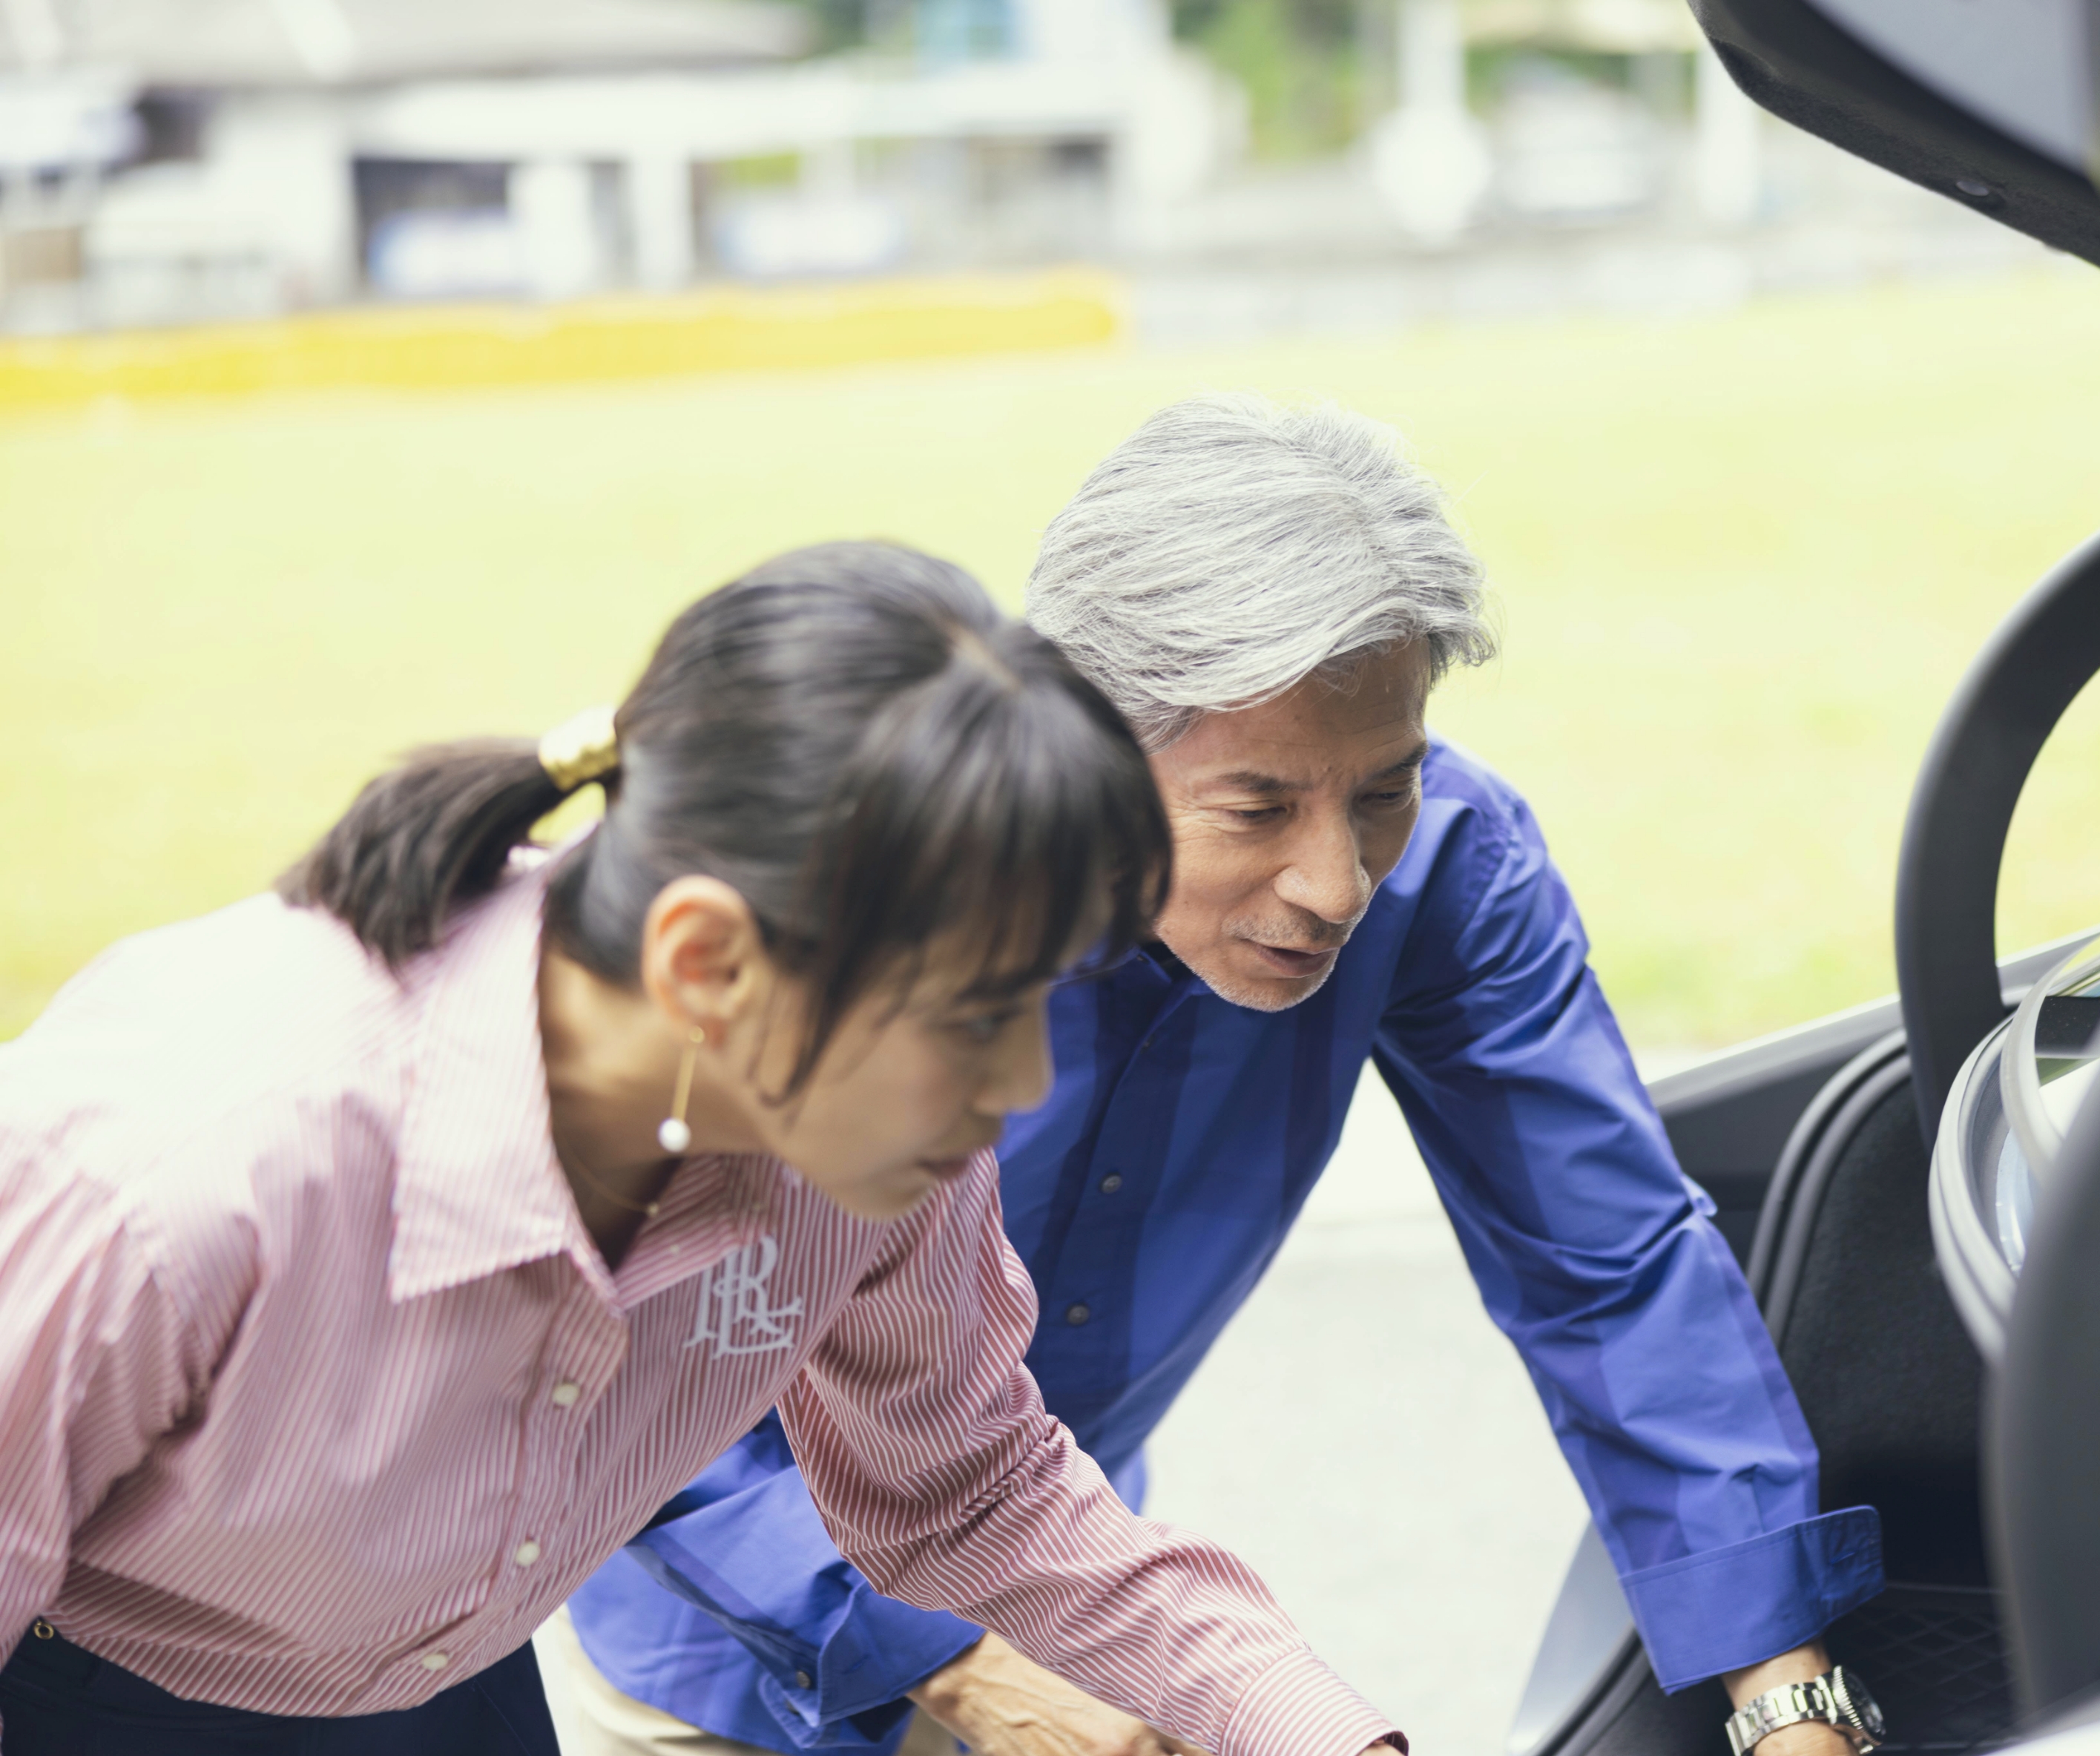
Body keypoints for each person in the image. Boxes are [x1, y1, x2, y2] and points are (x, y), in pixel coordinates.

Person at [551, 399, 1886, 1756]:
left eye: (1383, 788)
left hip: (1084, 1593)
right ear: (1083, 738)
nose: (1337, 882)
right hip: (722, 1650)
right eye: (1255, 808)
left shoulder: (1450, 863)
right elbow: (616, 1348)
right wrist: (959, 1670)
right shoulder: (856, 881)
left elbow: (1606, 1263)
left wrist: (1783, 1699)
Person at [0, 541, 1403, 1756]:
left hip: (440, 1694)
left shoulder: (865, 1147)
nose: (1015, 1084)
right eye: (974, 1016)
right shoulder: (175, 1175)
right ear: (707, 962)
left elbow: (971, 1484)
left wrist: (1322, 1729)